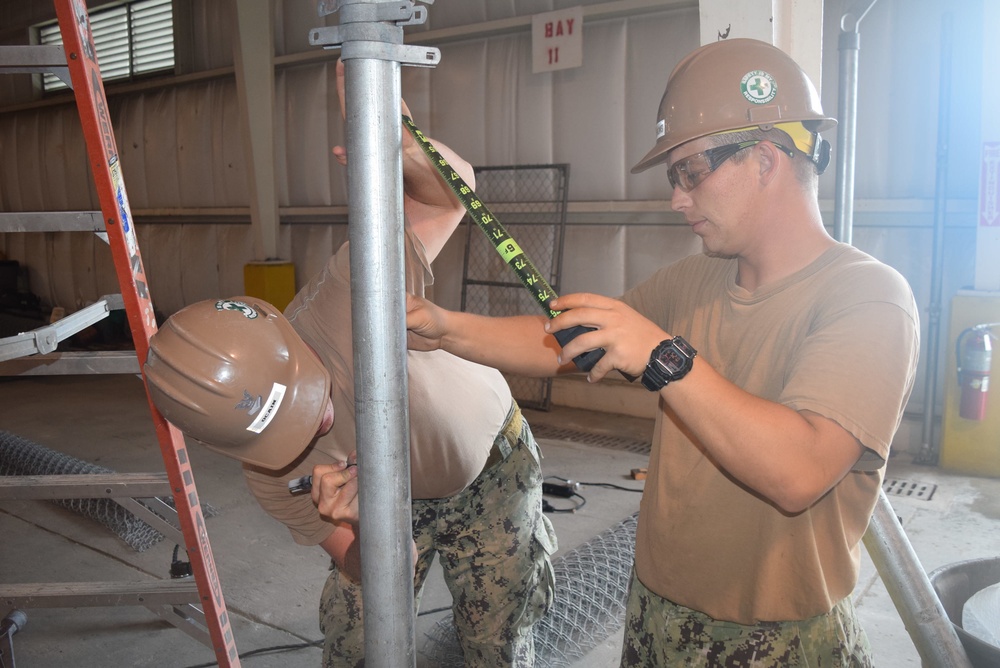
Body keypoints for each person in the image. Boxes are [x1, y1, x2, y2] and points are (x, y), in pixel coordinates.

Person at [405, 38, 920, 666]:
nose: (678, 199)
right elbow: (567, 342)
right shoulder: (692, 281)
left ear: (764, 158)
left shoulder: (868, 298)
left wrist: (662, 356)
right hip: (655, 614)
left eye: (690, 173)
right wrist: (442, 326)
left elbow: (798, 471)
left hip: (775, 641)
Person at [143, 59, 556, 668]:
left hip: (490, 465)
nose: (314, 430)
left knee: (499, 642)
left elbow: (453, 194)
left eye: (305, 405)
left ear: (285, 339)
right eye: (285, 431)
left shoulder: (349, 298)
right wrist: (371, 536)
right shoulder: (270, 471)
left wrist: (405, 146)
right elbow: (362, 563)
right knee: (357, 642)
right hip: (387, 505)